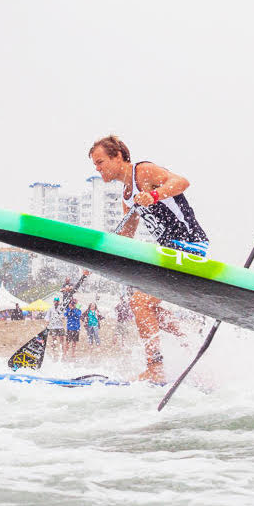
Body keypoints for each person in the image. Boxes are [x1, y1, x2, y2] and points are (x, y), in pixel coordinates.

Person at [89, 134, 210, 382]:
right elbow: (126, 237)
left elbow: (182, 182)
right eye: (95, 165)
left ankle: (155, 369)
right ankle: (191, 345)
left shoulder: (142, 172)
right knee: (147, 305)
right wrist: (93, 261)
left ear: (118, 156)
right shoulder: (126, 196)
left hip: (189, 247)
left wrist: (154, 196)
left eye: (100, 162)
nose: (98, 168)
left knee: (140, 302)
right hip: (169, 253)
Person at [46, 296, 66, 361]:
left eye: (57, 301)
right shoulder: (51, 308)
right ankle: (54, 353)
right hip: (53, 326)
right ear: (53, 302)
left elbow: (64, 315)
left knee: (62, 340)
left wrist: (63, 317)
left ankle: (63, 353)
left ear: (59, 302)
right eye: (55, 301)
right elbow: (47, 316)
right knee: (54, 340)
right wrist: (47, 321)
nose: (56, 302)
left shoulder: (61, 308)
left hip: (60, 326)